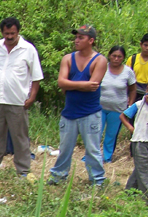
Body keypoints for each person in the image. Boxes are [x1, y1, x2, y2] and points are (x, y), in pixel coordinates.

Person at [0, 17, 43, 178]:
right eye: (6, 33)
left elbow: (36, 76)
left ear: (18, 32)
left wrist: (32, 97)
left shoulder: (28, 49)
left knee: (19, 138)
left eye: (12, 33)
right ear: (2, 32)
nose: (10, 37)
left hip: (18, 102)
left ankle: (23, 171)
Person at [48, 25, 107, 186]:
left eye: (81, 37)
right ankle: (58, 176)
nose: (77, 40)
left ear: (91, 40)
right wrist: (82, 85)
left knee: (92, 150)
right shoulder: (68, 58)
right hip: (69, 112)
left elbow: (93, 85)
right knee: (64, 148)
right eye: (76, 37)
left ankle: (97, 180)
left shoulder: (100, 60)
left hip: (90, 112)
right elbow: (61, 82)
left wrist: (70, 84)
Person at [99, 46, 136, 163]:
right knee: (95, 133)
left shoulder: (128, 72)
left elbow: (133, 89)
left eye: (119, 56)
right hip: (99, 107)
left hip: (118, 108)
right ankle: (90, 156)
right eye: (114, 56)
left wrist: (130, 105)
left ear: (123, 58)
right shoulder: (101, 68)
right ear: (109, 55)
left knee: (111, 135)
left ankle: (107, 157)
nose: (116, 59)